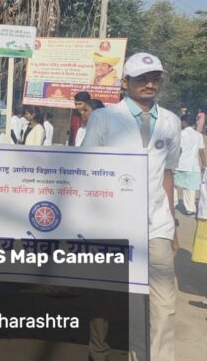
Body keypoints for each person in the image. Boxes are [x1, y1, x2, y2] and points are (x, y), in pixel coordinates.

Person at [82, 52, 180, 361]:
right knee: (106, 296)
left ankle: (158, 356)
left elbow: (168, 173)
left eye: (154, 79)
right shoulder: (104, 118)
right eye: (141, 79)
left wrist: (173, 222)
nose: (149, 84)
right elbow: (88, 169)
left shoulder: (171, 122)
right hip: (112, 223)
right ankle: (98, 351)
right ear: (125, 83)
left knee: (164, 301)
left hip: (157, 224)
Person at [175, 114, 205, 215]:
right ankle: (191, 209)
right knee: (190, 188)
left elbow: (179, 149)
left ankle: (174, 203)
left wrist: (172, 162)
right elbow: (201, 151)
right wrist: (204, 165)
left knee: (174, 185)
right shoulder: (198, 135)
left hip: (180, 164)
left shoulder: (181, 134)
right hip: (193, 166)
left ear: (184, 122)